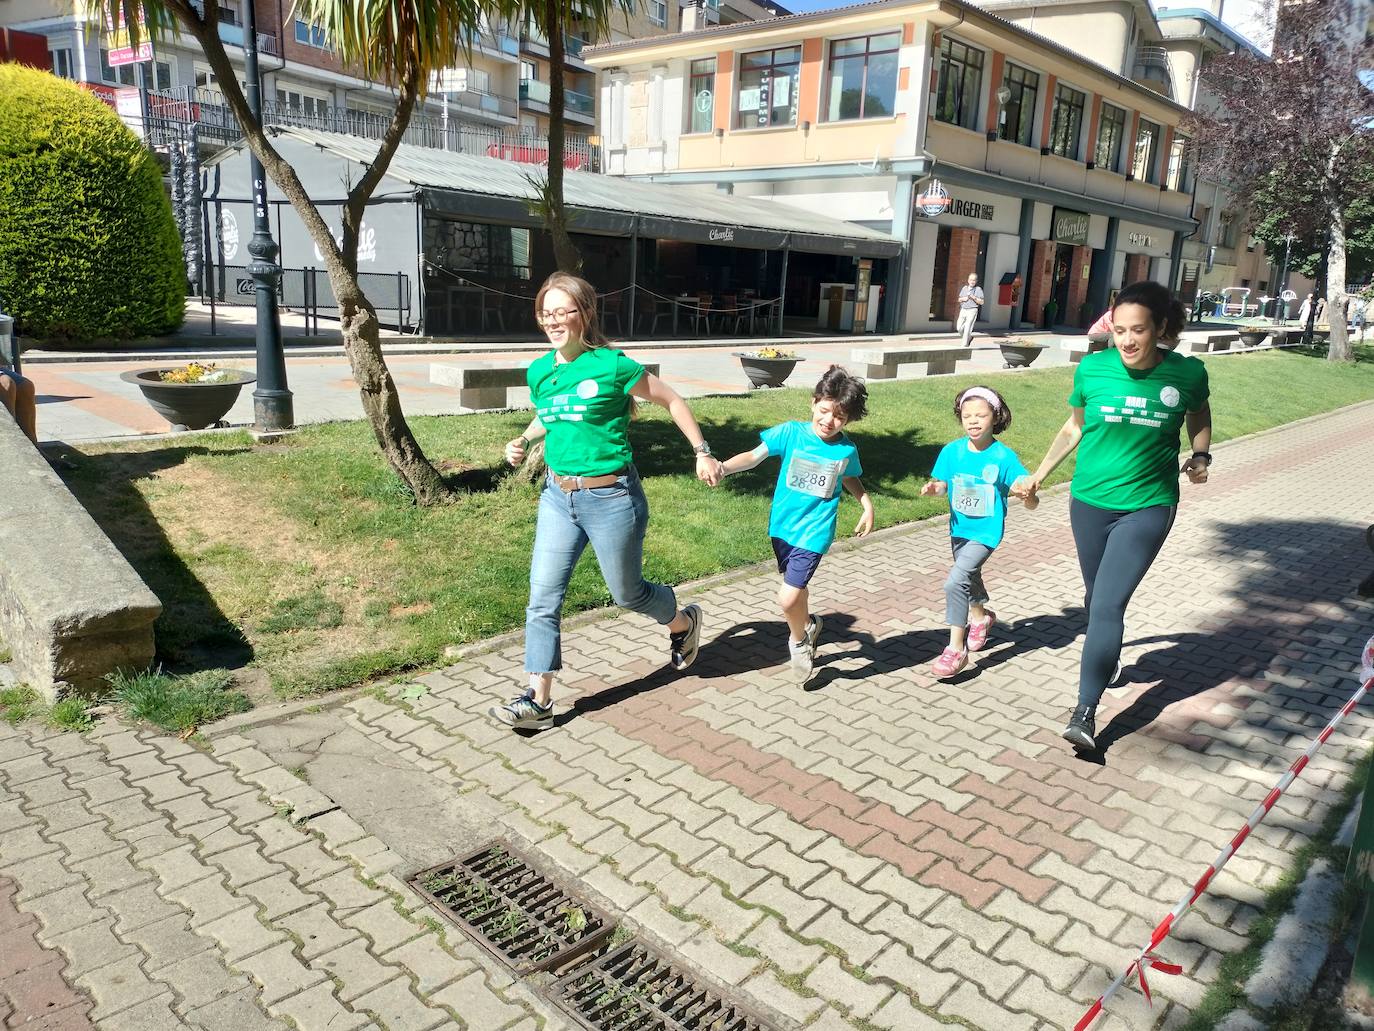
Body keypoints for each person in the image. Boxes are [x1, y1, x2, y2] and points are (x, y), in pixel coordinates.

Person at [491, 272, 724, 731]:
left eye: (562, 312)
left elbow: (672, 400)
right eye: (545, 313)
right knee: (542, 598)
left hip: (612, 497)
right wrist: (523, 439)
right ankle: (539, 700)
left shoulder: (612, 365)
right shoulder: (539, 371)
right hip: (558, 497)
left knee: (627, 594)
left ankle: (681, 623)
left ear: (584, 314)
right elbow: (550, 415)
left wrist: (702, 451)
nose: (552, 321)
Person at [1020, 280, 1212, 752]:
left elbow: (1198, 413)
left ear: (1160, 328)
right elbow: (1075, 426)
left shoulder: (1186, 373)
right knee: (1095, 599)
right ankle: (1107, 654)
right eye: (1119, 330)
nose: (1126, 340)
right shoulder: (1093, 368)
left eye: (1138, 330)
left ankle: (1084, 712)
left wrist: (1200, 454)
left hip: (1148, 505)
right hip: (1088, 502)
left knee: (1107, 605)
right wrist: (1040, 474)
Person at [714, 366, 874, 685]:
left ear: (848, 420)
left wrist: (866, 503)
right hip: (782, 528)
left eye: (839, 417)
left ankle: (799, 642)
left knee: (787, 597)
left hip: (815, 531)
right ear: (813, 402)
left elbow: (849, 476)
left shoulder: (845, 450)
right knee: (796, 589)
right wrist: (723, 468)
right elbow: (754, 457)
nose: (828, 421)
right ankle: (810, 624)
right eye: (824, 410)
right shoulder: (790, 433)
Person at [921, 385, 1039, 678]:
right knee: (969, 576)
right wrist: (935, 489)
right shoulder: (952, 451)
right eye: (967, 416)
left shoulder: (1003, 457)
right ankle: (980, 618)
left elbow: (1028, 496)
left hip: (986, 533)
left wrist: (1028, 495)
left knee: (955, 582)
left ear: (995, 417)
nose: (973, 421)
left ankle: (955, 649)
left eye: (981, 416)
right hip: (959, 529)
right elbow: (943, 484)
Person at [956, 273, 983, 347]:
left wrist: (974, 298)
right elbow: (959, 299)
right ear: (968, 280)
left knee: (967, 327)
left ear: (976, 281)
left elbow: (981, 302)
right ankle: (969, 338)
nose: (972, 281)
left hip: (972, 310)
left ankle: (964, 345)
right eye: (971, 280)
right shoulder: (964, 288)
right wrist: (963, 299)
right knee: (959, 328)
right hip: (963, 309)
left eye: (974, 280)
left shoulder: (978, 289)